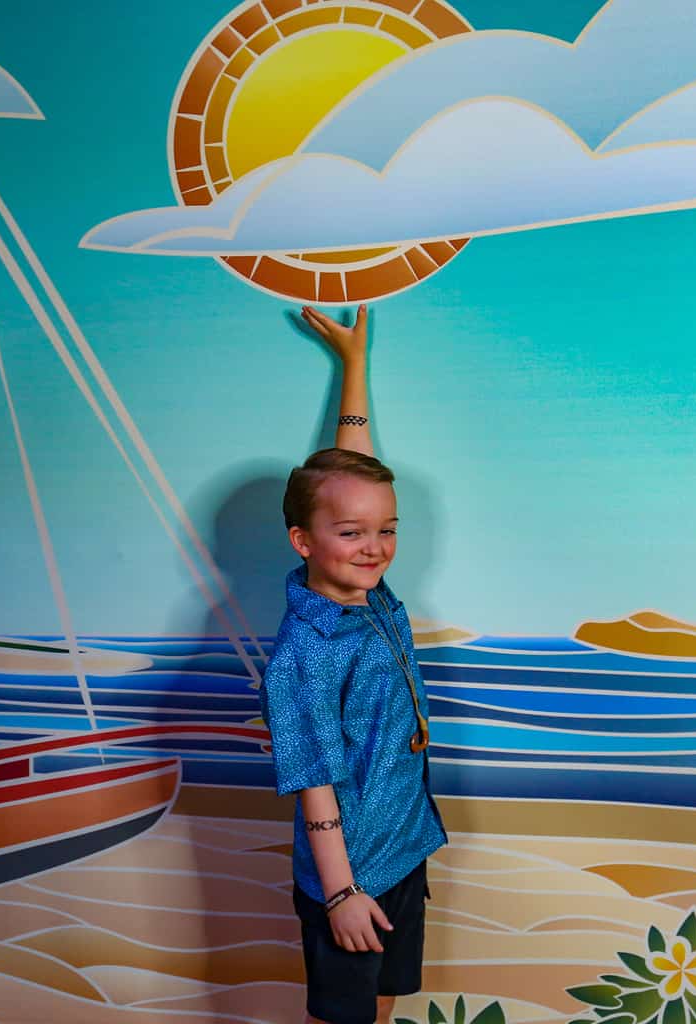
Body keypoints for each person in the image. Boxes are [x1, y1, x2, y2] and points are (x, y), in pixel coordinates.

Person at [259, 304, 447, 1024]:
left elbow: (347, 478)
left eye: (387, 530)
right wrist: (340, 892)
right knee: (341, 1016)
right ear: (303, 541)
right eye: (352, 534)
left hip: (403, 844)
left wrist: (354, 367)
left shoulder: (369, 592)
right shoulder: (303, 653)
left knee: (384, 1000)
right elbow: (315, 786)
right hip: (353, 869)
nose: (374, 547)